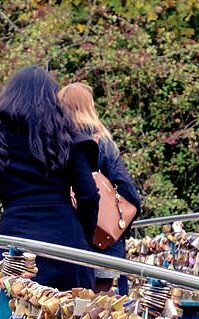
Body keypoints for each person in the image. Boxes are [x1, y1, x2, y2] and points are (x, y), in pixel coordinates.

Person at [0, 66, 99, 291]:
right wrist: (83, 237)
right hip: (67, 242)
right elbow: (89, 196)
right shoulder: (68, 137)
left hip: (14, 245)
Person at [57, 82, 142, 294]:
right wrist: (120, 228)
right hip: (102, 241)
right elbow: (128, 190)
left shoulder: (54, 143)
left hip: (64, 239)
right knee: (97, 311)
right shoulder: (101, 142)